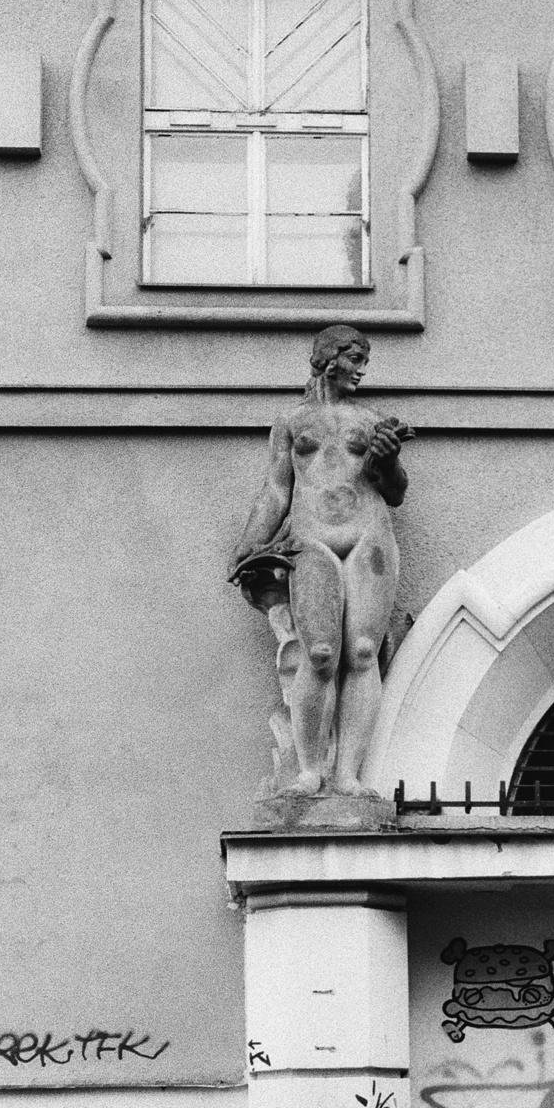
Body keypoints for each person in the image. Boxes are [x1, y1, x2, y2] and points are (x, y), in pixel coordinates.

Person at [229, 324, 411, 795]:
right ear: (329, 358)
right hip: (311, 539)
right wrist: (249, 545)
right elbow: (276, 490)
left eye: (364, 360)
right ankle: (310, 770)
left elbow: (394, 493)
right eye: (355, 358)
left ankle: (348, 774)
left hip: (368, 537)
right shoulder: (292, 422)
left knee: (363, 651)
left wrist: (388, 460)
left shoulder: (371, 421)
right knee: (321, 653)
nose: (362, 369)